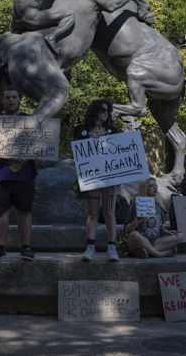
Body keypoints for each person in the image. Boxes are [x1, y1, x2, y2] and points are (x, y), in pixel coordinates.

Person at [0, 88, 37, 261]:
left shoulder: (30, 121)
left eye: (14, 97)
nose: (11, 100)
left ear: (20, 99)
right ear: (2, 100)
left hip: (25, 174)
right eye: (7, 97)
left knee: (25, 212)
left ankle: (26, 247)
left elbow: (38, 145)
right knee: (0, 213)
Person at [74, 99, 120, 262]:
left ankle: (112, 247)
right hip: (91, 177)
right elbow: (77, 153)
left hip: (110, 178)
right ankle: (90, 246)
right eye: (102, 110)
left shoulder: (114, 131)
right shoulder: (82, 131)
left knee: (109, 212)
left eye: (107, 111)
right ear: (94, 112)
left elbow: (121, 154)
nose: (105, 114)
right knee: (92, 213)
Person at [125, 178, 183, 258]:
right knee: (134, 235)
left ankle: (146, 251)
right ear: (145, 188)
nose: (155, 188)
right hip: (141, 239)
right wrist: (136, 222)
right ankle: (159, 254)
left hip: (156, 242)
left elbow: (161, 226)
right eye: (151, 186)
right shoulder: (136, 203)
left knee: (180, 236)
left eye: (156, 186)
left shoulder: (158, 205)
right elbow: (126, 230)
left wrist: (166, 230)